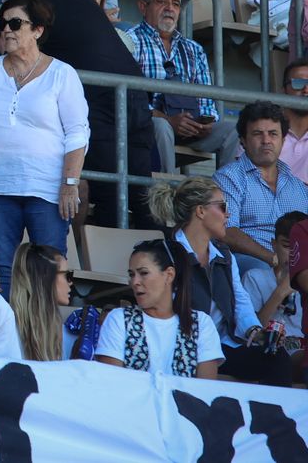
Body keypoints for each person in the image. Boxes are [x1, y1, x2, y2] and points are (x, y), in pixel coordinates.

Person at [4, 0, 157, 228]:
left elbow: (6, 38)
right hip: (134, 97)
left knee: (113, 192)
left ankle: (124, 266)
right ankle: (156, 264)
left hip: (103, 101)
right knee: (140, 197)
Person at [0, 0, 88, 293]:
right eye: (2, 24)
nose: (6, 30)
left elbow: (78, 133)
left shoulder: (62, 74)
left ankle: (44, 340)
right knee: (2, 271)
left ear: (38, 30)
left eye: (15, 23)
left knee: (47, 273)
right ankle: (9, 340)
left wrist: (70, 182)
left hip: (47, 189)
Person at [150, 175, 296, 386]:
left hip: (223, 347)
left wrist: (255, 332)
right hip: (182, 347)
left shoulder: (225, 256)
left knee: (276, 357)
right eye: (222, 206)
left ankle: (275, 419)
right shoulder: (166, 254)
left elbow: (241, 301)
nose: (228, 213)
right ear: (200, 211)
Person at [130, 0, 238, 172]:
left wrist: (205, 121)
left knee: (233, 130)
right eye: (161, 1)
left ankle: (225, 197)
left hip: (191, 126)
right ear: (143, 7)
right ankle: (166, 197)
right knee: (161, 127)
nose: (170, 8)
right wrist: (167, 119)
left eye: (175, 4)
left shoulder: (193, 49)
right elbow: (129, 99)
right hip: (150, 124)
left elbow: (206, 98)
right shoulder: (131, 41)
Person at [216, 102, 308, 308]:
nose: (266, 140)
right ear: (243, 141)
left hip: (294, 261)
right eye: (258, 134)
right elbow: (226, 231)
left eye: (273, 134)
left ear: (283, 140)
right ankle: (259, 334)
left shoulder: (298, 187)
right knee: (260, 272)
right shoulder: (229, 178)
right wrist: (272, 258)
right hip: (248, 260)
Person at [95, 239, 223, 378]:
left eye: (143, 273)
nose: (134, 282)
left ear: (169, 275)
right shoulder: (119, 319)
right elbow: (111, 384)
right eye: (132, 275)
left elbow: (205, 390)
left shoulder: (201, 323)